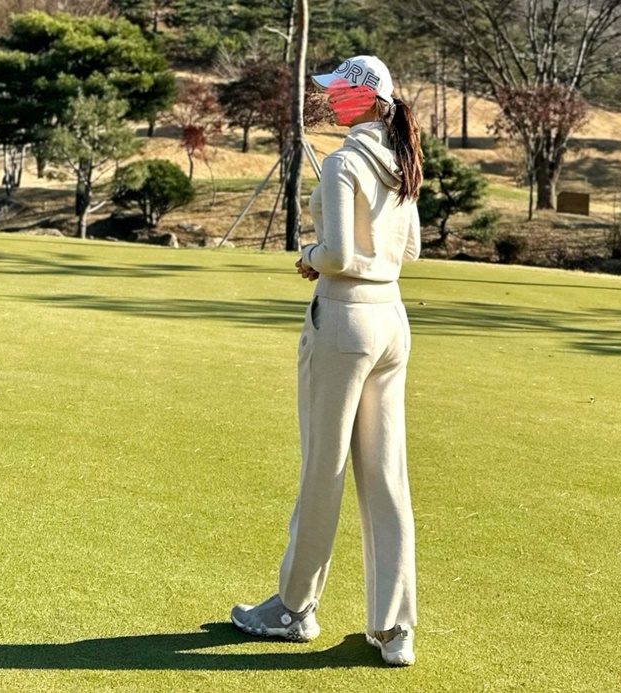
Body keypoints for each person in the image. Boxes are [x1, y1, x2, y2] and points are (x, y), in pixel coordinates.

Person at [231, 55, 423, 667]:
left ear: (366, 98)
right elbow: (411, 249)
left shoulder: (344, 162)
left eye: (340, 91)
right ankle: (394, 627)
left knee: (324, 467)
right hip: (392, 320)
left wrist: (311, 255)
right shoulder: (400, 159)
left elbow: (337, 254)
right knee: (386, 474)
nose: (331, 98)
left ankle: (293, 608)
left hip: (344, 320)